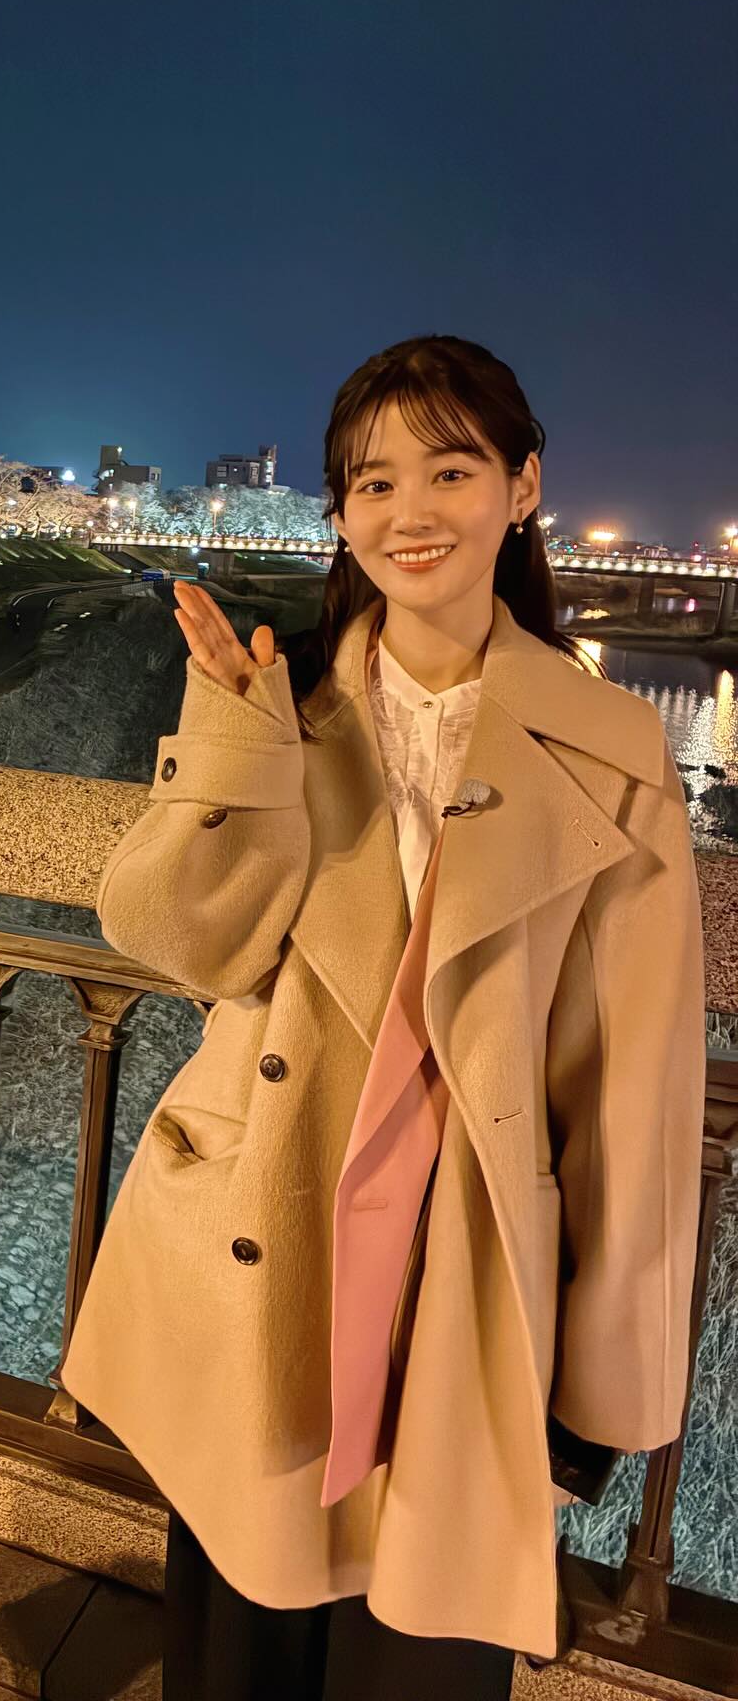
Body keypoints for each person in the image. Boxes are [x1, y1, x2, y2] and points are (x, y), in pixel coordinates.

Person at [58, 334, 707, 1698]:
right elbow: (183, 947)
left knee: (418, 1653)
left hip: (463, 1256)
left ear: (523, 486)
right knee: (238, 1648)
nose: (410, 511)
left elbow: (632, 1083)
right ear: (341, 514)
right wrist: (233, 747)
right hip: (270, 1223)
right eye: (372, 481)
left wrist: (606, 1379)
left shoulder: (613, 745)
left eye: (450, 470)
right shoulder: (282, 698)